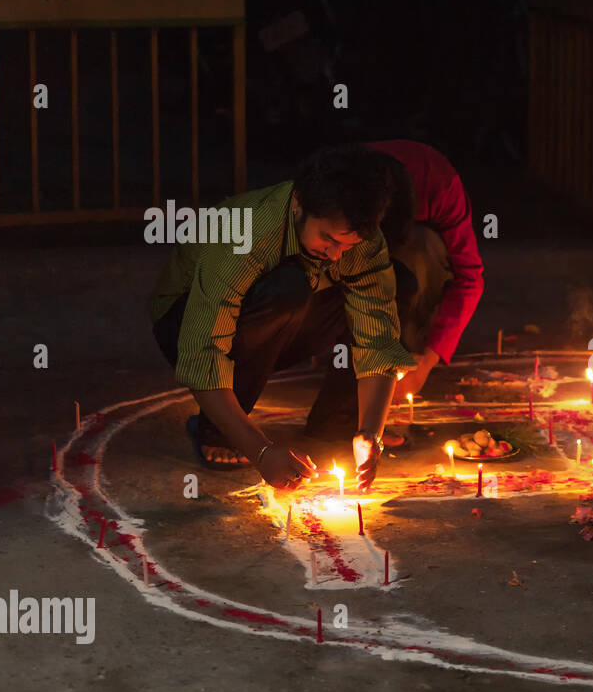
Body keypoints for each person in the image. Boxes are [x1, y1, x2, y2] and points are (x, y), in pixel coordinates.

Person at [149, 143, 419, 492]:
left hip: (280, 320)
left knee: (400, 283)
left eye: (347, 246)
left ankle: (339, 424)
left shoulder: (360, 237)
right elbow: (202, 353)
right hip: (185, 322)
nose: (337, 256)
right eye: (327, 239)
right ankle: (218, 429)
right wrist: (261, 452)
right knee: (287, 288)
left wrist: (372, 432)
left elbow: (378, 337)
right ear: (298, 205)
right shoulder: (243, 230)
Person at [303, 140, 484, 447]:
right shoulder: (342, 187)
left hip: (415, 258)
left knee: (414, 259)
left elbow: (470, 277)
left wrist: (427, 360)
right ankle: (348, 398)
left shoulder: (439, 185)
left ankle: (395, 369)